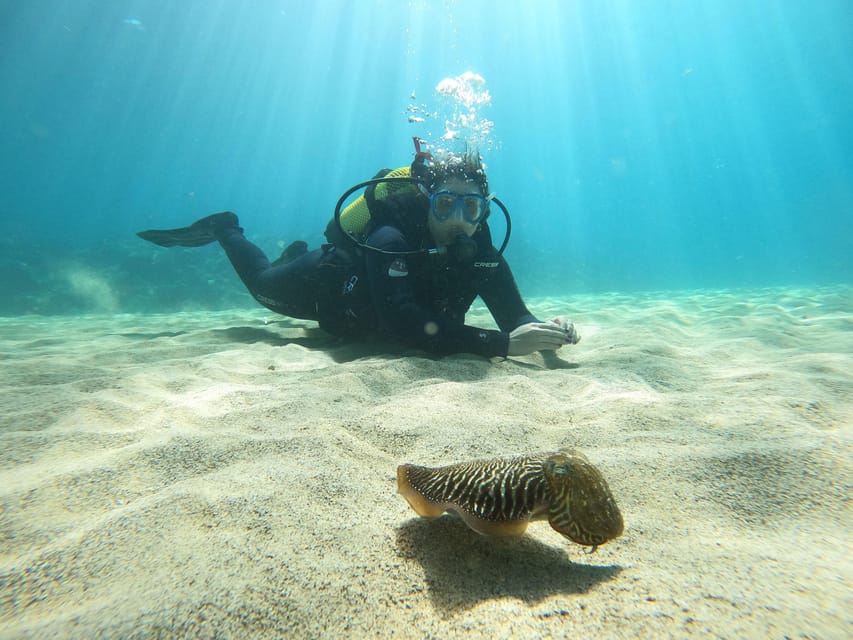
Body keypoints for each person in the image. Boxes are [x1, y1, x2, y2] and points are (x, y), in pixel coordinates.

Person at [137, 139, 580, 358]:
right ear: (427, 204)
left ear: (485, 212)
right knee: (261, 287)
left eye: (471, 208)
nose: (458, 221)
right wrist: (500, 345)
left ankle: (288, 252)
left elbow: (514, 317)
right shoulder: (392, 239)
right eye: (445, 205)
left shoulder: (482, 251)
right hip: (324, 288)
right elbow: (403, 323)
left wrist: (546, 330)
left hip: (367, 311)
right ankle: (226, 229)